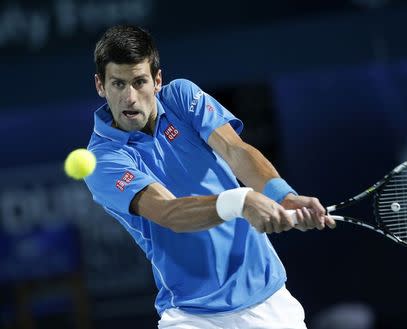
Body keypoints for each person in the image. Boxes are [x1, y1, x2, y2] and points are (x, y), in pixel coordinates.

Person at [84, 24, 336, 329]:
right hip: (191, 316)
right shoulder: (102, 159)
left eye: (139, 82)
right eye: (118, 84)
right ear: (101, 85)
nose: (131, 97)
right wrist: (240, 201)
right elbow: (169, 212)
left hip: (267, 302)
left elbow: (235, 150)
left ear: (157, 80)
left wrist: (284, 196)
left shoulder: (181, 97)